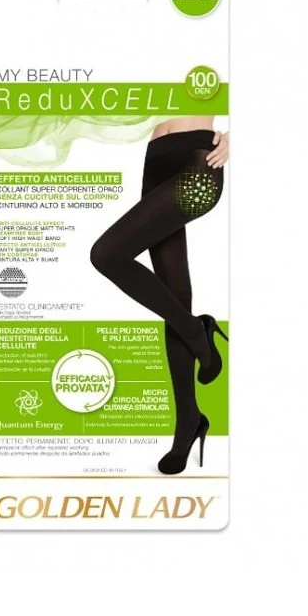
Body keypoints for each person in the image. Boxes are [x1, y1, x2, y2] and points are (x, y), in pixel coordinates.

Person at [90, 117, 229, 474]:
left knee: (106, 254)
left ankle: (197, 331)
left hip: (198, 163)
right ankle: (188, 422)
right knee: (173, 296)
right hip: (155, 162)